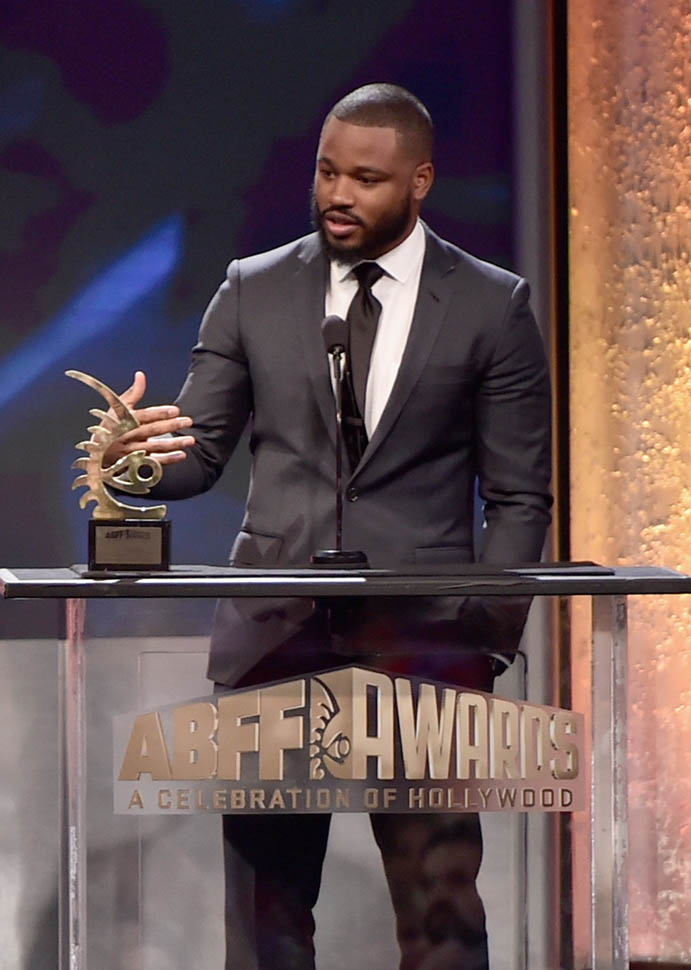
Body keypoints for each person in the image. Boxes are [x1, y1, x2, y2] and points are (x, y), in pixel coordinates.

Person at [106, 83, 552, 970]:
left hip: (424, 648)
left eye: (365, 179)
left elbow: (519, 497)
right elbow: (199, 455)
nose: (337, 195)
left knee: (440, 912)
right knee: (266, 915)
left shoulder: (490, 304)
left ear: (419, 181)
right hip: (276, 638)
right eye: (325, 172)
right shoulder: (254, 288)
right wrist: (131, 459)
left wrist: (483, 643)